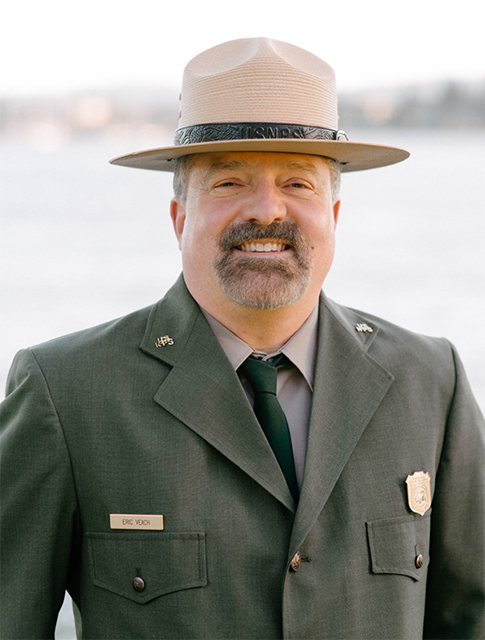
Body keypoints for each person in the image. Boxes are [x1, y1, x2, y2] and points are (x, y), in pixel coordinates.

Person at [0, 37, 483, 640]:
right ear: (179, 218)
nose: (265, 210)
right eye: (229, 182)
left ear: (333, 217)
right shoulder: (66, 395)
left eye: (298, 183)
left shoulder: (431, 382)